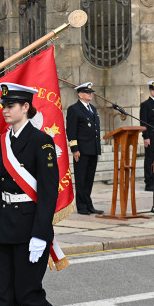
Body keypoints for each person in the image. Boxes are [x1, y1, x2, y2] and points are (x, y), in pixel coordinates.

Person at [0, 83, 84, 306]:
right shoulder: (1, 142)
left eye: (10, 105)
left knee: (28, 295)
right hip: (3, 227)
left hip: (30, 229)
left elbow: (49, 191)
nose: (5, 110)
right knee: (3, 296)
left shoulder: (42, 142)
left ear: (25, 107)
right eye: (4, 105)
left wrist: (42, 234)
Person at [65, 82, 103, 215]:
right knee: (81, 179)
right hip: (81, 150)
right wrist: (74, 149)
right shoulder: (74, 109)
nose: (90, 94)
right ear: (80, 94)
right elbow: (71, 130)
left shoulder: (92, 108)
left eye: (91, 92)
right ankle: (81, 206)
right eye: (87, 92)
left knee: (89, 179)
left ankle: (88, 204)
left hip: (92, 149)